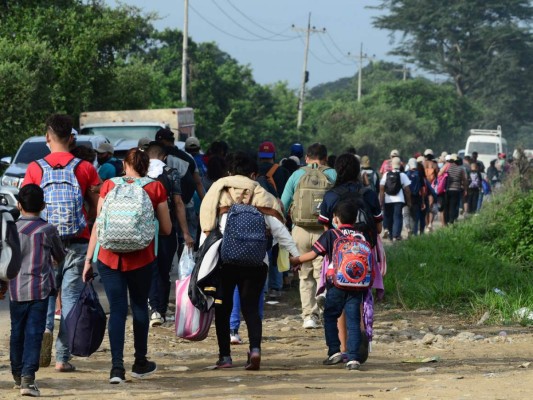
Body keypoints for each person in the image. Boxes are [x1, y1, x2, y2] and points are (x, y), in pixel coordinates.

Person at [199, 152, 299, 370]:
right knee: (251, 308)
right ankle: (255, 350)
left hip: (225, 261)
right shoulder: (262, 196)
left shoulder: (219, 193)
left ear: (229, 172)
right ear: (253, 174)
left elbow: (207, 229)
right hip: (257, 261)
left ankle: (225, 357)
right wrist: (294, 255)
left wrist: (201, 260)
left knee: (223, 310)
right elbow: (280, 230)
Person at [82, 148, 172, 384]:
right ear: (147, 166)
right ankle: (140, 362)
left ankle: (116, 368)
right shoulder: (155, 187)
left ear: (124, 164)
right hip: (141, 258)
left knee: (118, 310)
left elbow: (99, 225)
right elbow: (166, 229)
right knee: (140, 306)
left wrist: (88, 259)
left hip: (109, 257)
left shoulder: (109, 185)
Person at [23, 114, 100, 373]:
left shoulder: (35, 168)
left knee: (44, 297)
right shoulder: (85, 167)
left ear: (47, 137)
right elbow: (96, 204)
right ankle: (61, 358)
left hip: (44, 242)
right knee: (69, 299)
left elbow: (27, 210)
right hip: (78, 242)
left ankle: (39, 345)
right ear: (71, 138)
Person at [289, 199, 369, 371]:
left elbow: (313, 254)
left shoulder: (331, 234)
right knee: (354, 321)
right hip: (357, 285)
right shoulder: (361, 235)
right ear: (355, 219)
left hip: (337, 284)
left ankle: (335, 351)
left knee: (330, 316)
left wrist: (296, 260)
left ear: (336, 218)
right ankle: (354, 358)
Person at [8, 184, 66, 396]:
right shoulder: (48, 230)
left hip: (16, 290)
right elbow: (60, 256)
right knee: (34, 333)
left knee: (17, 331)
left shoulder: (11, 229)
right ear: (43, 205)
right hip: (40, 291)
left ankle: (16, 373)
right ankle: (28, 379)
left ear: (19, 205)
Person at [281, 143, 336, 329]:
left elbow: (283, 202)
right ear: (325, 158)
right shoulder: (332, 174)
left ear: (307, 158)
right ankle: (323, 307)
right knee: (323, 272)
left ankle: (309, 317)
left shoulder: (296, 175)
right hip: (325, 230)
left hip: (300, 230)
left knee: (305, 275)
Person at [146, 142, 192, 326]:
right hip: (167, 227)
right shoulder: (171, 173)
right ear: (164, 157)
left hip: (143, 230)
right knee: (164, 270)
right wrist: (186, 232)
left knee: (150, 269)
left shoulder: (139, 173)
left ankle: (153, 309)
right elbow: (179, 203)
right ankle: (162, 309)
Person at [257, 141, 291, 299]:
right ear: (274, 155)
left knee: (262, 251)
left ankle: (261, 288)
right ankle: (275, 287)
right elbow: (285, 195)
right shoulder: (281, 171)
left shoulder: (254, 171)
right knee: (277, 250)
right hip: (276, 213)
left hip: (258, 214)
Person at [155, 128, 199, 248]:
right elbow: (197, 183)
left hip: (165, 207)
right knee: (187, 243)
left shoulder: (157, 160)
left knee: (165, 242)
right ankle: (185, 266)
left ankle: (168, 266)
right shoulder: (188, 157)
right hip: (186, 205)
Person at [379, 157, 412, 241]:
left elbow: (382, 188)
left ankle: (389, 234)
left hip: (388, 199)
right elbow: (407, 190)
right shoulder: (402, 175)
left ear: (392, 165)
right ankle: (396, 235)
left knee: (389, 217)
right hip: (399, 199)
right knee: (397, 217)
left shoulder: (386, 174)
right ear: (400, 164)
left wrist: (381, 201)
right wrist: (409, 202)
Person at [440, 154, 468, 225]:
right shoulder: (460, 169)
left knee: (446, 206)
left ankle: (446, 221)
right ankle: (451, 221)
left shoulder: (447, 167)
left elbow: (439, 174)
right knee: (453, 206)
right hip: (456, 190)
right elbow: (464, 180)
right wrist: (465, 189)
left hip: (447, 189)